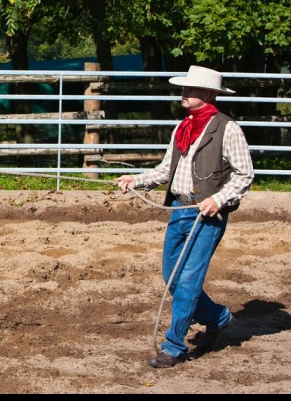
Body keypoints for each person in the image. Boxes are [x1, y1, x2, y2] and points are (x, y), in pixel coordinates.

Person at [113, 65, 254, 369]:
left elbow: (245, 175)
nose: (183, 93)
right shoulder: (183, 127)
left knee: (188, 280)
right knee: (172, 277)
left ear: (206, 93)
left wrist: (218, 199)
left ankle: (174, 346)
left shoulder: (227, 129)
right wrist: (136, 180)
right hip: (180, 210)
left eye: (189, 89)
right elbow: (167, 169)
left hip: (207, 216)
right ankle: (219, 318)